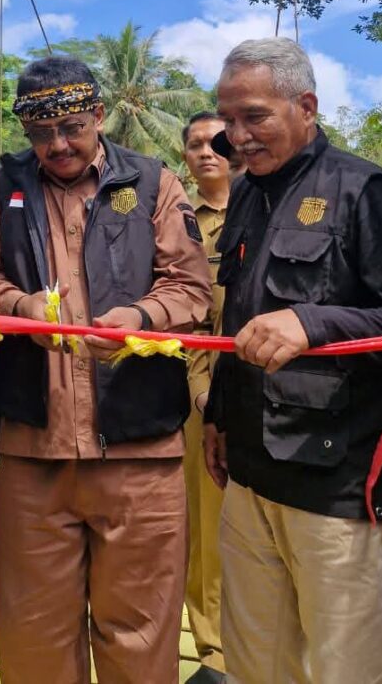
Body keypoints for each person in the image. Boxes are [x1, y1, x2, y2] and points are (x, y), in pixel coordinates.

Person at [0, 56, 212, 684]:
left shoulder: (153, 183)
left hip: (140, 453)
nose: (57, 145)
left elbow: (191, 288)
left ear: (98, 116)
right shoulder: (2, 187)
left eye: (71, 127)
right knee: (34, 635)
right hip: (33, 452)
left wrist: (141, 318)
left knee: (140, 634)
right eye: (41, 133)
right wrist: (18, 306)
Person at [203, 38, 382, 683]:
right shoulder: (246, 194)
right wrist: (217, 417)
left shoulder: (364, 190)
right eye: (228, 119)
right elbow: (238, 316)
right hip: (250, 477)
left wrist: (313, 321)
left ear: (306, 106)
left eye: (254, 116)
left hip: (335, 487)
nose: (236, 137)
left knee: (345, 669)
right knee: (256, 665)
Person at [181, 112, 235, 684]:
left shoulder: (267, 205)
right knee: (208, 530)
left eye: (216, 141)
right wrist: (201, 395)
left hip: (278, 393)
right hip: (206, 395)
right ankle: (213, 652)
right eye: (194, 144)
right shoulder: (178, 220)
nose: (206, 151)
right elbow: (193, 321)